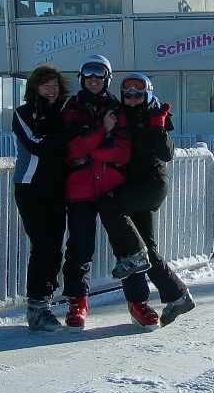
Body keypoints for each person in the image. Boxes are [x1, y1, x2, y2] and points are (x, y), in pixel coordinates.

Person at [99, 73, 196, 329]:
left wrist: (158, 126)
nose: (132, 99)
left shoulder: (155, 113)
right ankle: (177, 295)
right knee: (143, 249)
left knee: (110, 205)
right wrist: (105, 129)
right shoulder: (117, 114)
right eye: (127, 94)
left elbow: (167, 153)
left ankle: (138, 263)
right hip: (128, 184)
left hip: (151, 184)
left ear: (148, 93)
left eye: (138, 94)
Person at [60, 55, 149, 331]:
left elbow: (122, 150)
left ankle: (138, 302)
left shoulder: (117, 108)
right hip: (80, 189)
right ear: (82, 79)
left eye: (99, 75)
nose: (94, 80)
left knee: (126, 248)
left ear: (107, 78)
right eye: (89, 75)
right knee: (79, 247)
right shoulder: (72, 108)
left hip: (111, 188)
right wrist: (102, 132)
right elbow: (71, 149)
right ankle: (77, 301)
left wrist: (91, 146)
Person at [12, 65, 70, 332]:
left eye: (55, 85)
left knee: (54, 246)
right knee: (43, 245)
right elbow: (37, 144)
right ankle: (36, 307)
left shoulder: (65, 111)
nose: (52, 89)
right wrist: (66, 132)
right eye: (46, 84)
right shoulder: (23, 113)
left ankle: (44, 302)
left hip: (58, 187)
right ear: (34, 87)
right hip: (31, 187)